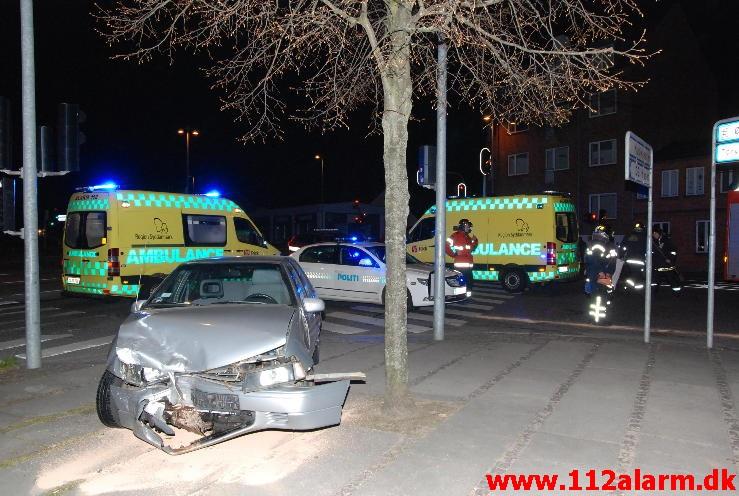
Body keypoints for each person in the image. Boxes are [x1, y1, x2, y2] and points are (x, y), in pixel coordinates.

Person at [584, 224, 617, 297]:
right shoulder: (595, 245)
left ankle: (604, 298)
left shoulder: (608, 246)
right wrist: (602, 272)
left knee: (602, 293)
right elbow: (592, 259)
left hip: (602, 272)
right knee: (596, 293)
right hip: (596, 271)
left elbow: (612, 260)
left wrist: (608, 272)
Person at [446, 218, 479, 289]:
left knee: (469, 283)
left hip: (468, 266)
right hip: (460, 266)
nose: (469, 228)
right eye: (467, 226)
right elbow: (446, 246)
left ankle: (467, 296)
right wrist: (453, 254)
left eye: (469, 227)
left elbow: (471, 248)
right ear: (463, 226)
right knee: (461, 283)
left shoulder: (467, 237)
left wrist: (475, 241)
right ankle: (462, 295)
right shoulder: (455, 235)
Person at [651, 226, 681, 293]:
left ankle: (677, 292)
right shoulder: (653, 242)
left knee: (671, 280)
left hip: (667, 266)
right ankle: (653, 294)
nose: (654, 235)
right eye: (653, 234)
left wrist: (670, 259)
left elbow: (673, 251)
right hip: (657, 266)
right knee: (655, 281)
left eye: (655, 233)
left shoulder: (667, 241)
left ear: (659, 234)